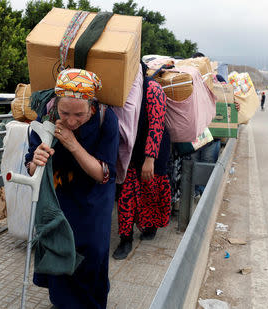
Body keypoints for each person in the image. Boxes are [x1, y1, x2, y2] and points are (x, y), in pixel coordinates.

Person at [25, 68, 119, 309]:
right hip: (60, 197)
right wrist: (36, 160)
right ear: (56, 103)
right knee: (59, 250)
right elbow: (31, 170)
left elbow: (103, 174)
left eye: (80, 114)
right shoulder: (44, 118)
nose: (71, 120)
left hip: (94, 200)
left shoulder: (106, 118)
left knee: (93, 253)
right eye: (65, 112)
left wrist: (72, 143)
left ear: (92, 107)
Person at [112, 62, 172, 260]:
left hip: (153, 149)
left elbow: (157, 124)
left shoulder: (152, 89)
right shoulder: (120, 89)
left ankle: (151, 224)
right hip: (129, 150)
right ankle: (125, 238)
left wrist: (150, 158)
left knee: (151, 190)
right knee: (126, 195)